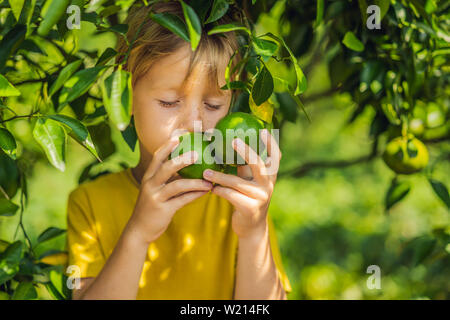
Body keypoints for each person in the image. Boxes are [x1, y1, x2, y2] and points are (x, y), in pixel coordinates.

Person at [66, 1, 291, 300]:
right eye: (170, 102)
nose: (195, 124)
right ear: (124, 95)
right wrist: (138, 233)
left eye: (213, 105)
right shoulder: (91, 204)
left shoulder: (239, 200)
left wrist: (253, 232)